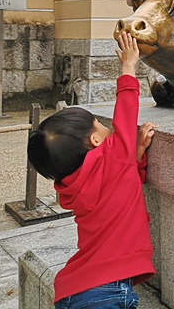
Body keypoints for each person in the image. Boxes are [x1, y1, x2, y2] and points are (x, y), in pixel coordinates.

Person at [27, 31, 157, 309]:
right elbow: (126, 112)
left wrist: (134, 157)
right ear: (96, 141)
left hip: (75, 289)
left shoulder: (74, 186)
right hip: (105, 291)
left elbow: (120, 192)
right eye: (99, 123)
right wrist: (128, 67)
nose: (106, 125)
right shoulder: (114, 157)